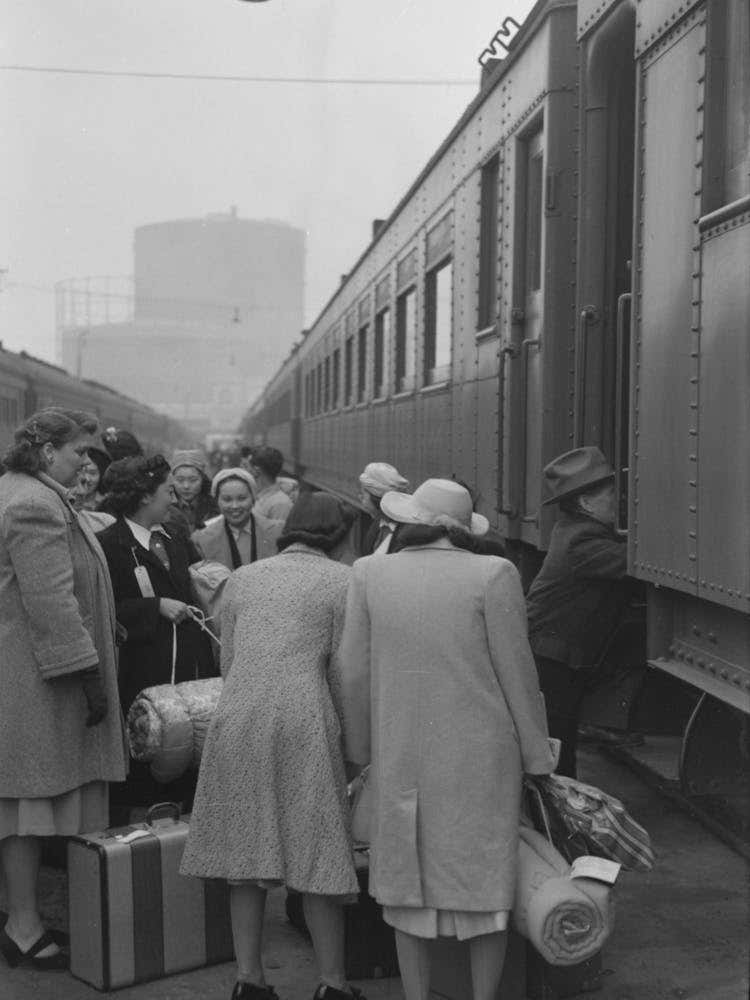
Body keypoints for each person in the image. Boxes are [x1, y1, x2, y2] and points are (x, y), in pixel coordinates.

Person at [339, 479, 555, 1000]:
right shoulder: (494, 573)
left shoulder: (369, 573)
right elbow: (517, 674)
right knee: (484, 891)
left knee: (404, 894)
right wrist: (537, 756)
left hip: (400, 754)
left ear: (410, 521)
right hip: (480, 757)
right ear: (464, 530)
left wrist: (362, 751)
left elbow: (352, 671)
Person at [181, 493, 365, 1000]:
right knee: (319, 851)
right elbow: (343, 673)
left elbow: (229, 659)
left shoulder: (244, 578)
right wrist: (354, 750)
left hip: (238, 714)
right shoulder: (343, 581)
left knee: (246, 851)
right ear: (337, 534)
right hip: (305, 717)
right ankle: (332, 984)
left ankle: (250, 981)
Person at [0, 408, 126, 971]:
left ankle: (21, 917)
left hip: (29, 673)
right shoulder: (35, 503)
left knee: (27, 800)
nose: (86, 463)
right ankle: (23, 926)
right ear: (47, 450)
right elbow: (50, 601)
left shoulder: (24, 491)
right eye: (79, 451)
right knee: (28, 805)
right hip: (41, 681)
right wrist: (87, 672)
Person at [96, 455, 218, 818]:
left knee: (188, 755)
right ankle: (143, 834)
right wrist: (154, 607)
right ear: (146, 495)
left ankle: (183, 831)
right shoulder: (108, 545)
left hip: (188, 671)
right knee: (150, 751)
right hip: (142, 674)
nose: (174, 498)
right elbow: (102, 608)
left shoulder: (175, 537)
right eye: (168, 490)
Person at [525, 446, 631, 778]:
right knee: (558, 747)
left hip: (554, 655)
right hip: (552, 660)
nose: (618, 501)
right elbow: (634, 562)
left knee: (559, 741)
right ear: (586, 502)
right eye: (610, 494)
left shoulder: (576, 529)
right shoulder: (581, 541)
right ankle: (555, 807)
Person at [191, 468, 277, 568]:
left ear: (253, 499)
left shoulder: (277, 531)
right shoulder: (202, 540)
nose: (234, 506)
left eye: (242, 498)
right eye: (227, 500)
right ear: (217, 501)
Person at [358, 461, 410, 555]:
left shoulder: (407, 534)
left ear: (376, 498)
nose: (360, 497)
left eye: (363, 493)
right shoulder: (378, 523)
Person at [170, 449, 218, 532]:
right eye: (180, 480)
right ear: (172, 480)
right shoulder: (163, 508)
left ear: (202, 479)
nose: (186, 486)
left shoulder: (215, 506)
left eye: (193, 480)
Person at [248, 445, 293, 529]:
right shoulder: (258, 497)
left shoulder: (280, 504)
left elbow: (278, 535)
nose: (245, 471)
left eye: (247, 467)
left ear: (256, 470)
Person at [71, 446, 110, 512]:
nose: (86, 478)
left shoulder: (107, 502)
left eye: (92, 473)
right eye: (81, 471)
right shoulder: (66, 496)